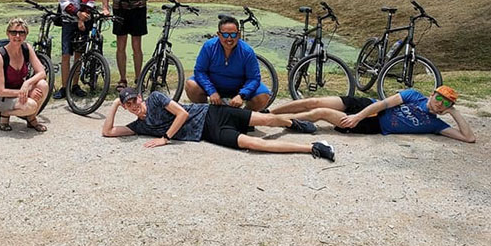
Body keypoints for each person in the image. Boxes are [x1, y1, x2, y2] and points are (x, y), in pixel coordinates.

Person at [102, 88, 335, 160]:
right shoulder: (139, 126)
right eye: (128, 104)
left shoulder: (155, 98)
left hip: (213, 113)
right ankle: (313, 147)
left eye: (134, 100)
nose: (133, 105)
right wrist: (114, 104)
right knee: (252, 144)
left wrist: (165, 138)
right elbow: (109, 132)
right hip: (209, 132)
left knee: (267, 119)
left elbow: (181, 114)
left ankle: (293, 122)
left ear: (140, 97)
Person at [269, 86, 476, 143]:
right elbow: (384, 103)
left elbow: (468, 137)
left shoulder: (435, 124)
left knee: (320, 112)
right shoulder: (414, 95)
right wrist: (358, 115)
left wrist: (454, 112)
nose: (439, 105)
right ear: (432, 94)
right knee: (314, 101)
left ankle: (270, 121)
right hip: (369, 105)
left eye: (445, 104)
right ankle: (269, 112)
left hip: (375, 125)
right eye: (438, 98)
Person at [185, 16, 271, 112]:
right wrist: (211, 91)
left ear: (238, 34)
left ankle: (244, 118)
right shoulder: (209, 46)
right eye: (225, 35)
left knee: (263, 95)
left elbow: (254, 78)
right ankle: (206, 114)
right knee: (191, 85)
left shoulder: (247, 51)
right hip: (214, 85)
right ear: (218, 34)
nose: (229, 39)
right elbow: (200, 71)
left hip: (239, 88)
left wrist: (242, 95)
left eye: (233, 35)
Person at [0, 18, 50, 132]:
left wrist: (27, 83)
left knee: (43, 85)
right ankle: (4, 113)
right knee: (31, 105)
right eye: (13, 32)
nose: (17, 36)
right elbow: (1, 91)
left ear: (26, 34)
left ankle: (31, 118)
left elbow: (42, 72)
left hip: (19, 90)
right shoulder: (0, 56)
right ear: (8, 34)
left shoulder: (27, 48)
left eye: (21, 32)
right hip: (0, 97)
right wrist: (27, 92)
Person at [54, 0, 95, 99]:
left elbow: (90, 1)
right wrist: (77, 15)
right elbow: (63, 2)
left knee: (79, 54)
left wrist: (82, 18)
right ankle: (64, 87)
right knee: (66, 54)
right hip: (67, 20)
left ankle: (75, 85)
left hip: (82, 21)